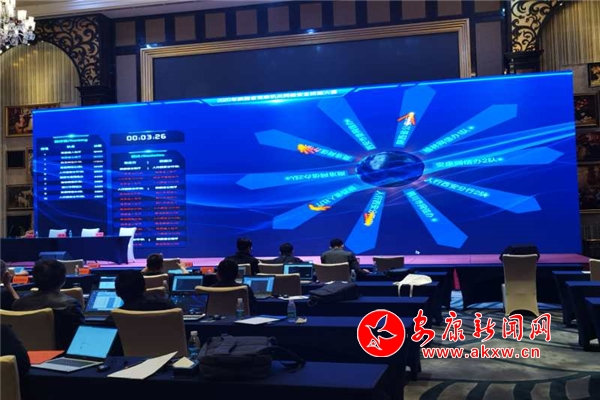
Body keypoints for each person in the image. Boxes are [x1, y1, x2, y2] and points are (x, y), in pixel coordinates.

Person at [12, 260, 84, 350]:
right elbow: (81, 337)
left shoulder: (17, 305)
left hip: (25, 355)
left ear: (34, 279)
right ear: (63, 280)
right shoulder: (70, 305)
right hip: (61, 354)